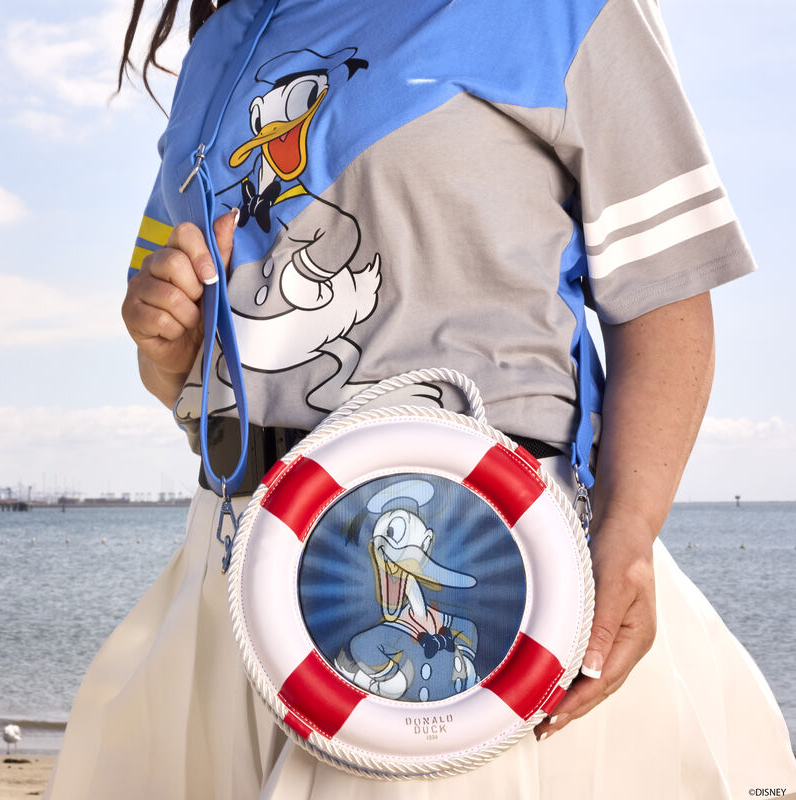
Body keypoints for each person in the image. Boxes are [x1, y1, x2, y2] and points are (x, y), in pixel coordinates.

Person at [44, 0, 796, 797]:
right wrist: (163, 342)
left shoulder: (569, 11)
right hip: (230, 562)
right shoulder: (221, 47)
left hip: (472, 542)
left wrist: (632, 529)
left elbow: (665, 299)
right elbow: (188, 362)